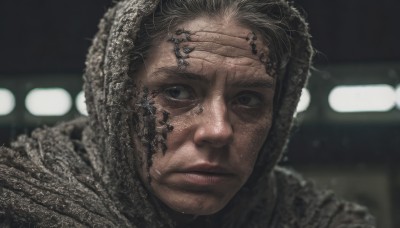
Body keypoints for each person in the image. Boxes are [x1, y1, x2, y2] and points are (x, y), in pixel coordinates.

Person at [0, 0, 375, 227]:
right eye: (176, 92)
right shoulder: (15, 208)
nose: (218, 131)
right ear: (113, 99)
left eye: (247, 99)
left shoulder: (318, 220)